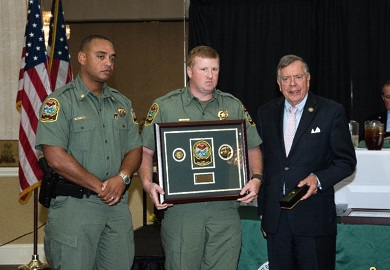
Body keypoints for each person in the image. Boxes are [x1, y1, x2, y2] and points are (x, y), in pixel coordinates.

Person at [138, 45, 263, 270]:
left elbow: (253, 148)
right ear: (189, 71)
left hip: (224, 210)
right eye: (204, 69)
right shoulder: (165, 106)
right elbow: (145, 151)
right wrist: (147, 184)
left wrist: (256, 178)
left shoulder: (233, 106)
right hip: (182, 213)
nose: (210, 76)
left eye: (215, 69)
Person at [35, 35, 142, 270]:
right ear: (82, 58)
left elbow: (135, 149)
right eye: (101, 56)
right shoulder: (59, 103)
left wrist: (122, 178)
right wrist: (100, 186)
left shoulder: (122, 103)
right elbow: (55, 157)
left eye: (112, 58)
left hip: (116, 208)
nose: (109, 63)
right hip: (75, 208)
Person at [256, 54, 356, 270]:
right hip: (276, 221)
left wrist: (318, 179)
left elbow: (346, 161)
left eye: (298, 77)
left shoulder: (331, 111)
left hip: (314, 220)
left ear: (308, 79)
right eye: (286, 78)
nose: (292, 84)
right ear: (278, 83)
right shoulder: (265, 113)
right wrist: (265, 213)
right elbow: (264, 166)